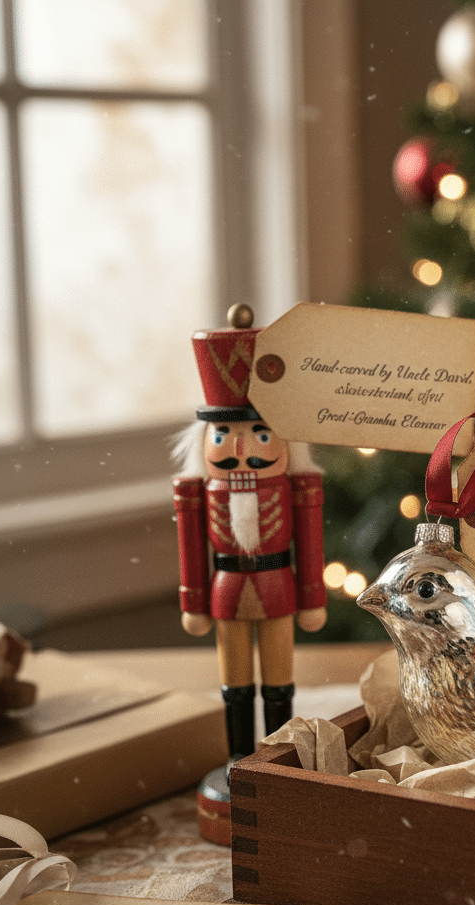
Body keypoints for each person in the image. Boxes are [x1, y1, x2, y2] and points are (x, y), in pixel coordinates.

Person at [172, 305, 326, 823]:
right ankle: (240, 756)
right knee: (235, 682)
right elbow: (193, 552)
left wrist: (313, 598)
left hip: (279, 586)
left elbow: (309, 546)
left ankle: (278, 756)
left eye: (260, 434)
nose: (242, 447)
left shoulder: (297, 488)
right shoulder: (198, 493)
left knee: (279, 680)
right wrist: (192, 600)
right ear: (206, 442)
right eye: (226, 435)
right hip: (225, 591)